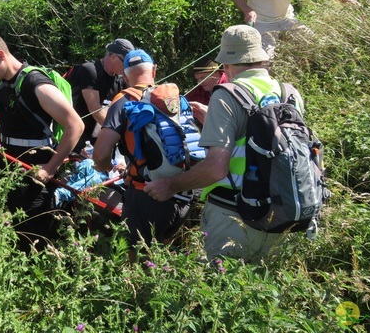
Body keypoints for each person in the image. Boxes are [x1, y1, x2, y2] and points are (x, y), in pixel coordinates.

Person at [143, 25, 305, 262]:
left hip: (236, 212)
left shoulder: (228, 94)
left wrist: (170, 186)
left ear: (226, 65)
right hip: (284, 211)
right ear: (260, 59)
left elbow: (216, 167)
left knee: (224, 287)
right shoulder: (289, 93)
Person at [0, 31, 83, 251]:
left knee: (30, 236)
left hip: (35, 167)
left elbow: (76, 125)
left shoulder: (37, 84)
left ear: (0, 55)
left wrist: (50, 168)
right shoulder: (2, 83)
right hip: (6, 160)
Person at [93, 49, 194, 262]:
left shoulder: (123, 101)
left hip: (147, 195)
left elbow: (101, 153)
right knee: (163, 258)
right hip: (183, 193)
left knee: (137, 261)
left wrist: (102, 166)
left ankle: (135, 295)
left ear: (125, 76)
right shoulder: (171, 97)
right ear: (154, 70)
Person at [66, 38, 134, 153]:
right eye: (125, 62)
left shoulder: (119, 80)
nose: (127, 66)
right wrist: (119, 134)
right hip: (78, 140)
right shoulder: (90, 71)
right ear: (113, 57)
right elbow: (95, 109)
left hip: (99, 141)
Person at [185, 57, 227, 126]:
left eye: (202, 78)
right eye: (198, 79)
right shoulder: (199, 90)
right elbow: (184, 102)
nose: (200, 83)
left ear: (216, 73)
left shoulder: (230, 86)